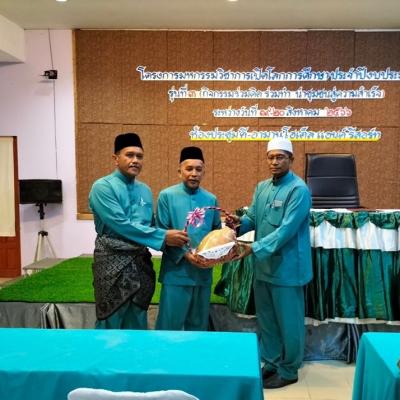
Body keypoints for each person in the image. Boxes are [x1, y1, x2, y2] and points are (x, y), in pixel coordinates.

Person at [227, 137, 312, 389]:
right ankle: (272, 362)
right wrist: (238, 223)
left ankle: (289, 369)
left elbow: (286, 230)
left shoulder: (299, 190)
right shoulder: (262, 187)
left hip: (288, 269)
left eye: (280, 157)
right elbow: (253, 217)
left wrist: (253, 248)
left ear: (291, 159)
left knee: (290, 322)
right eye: (271, 157)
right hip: (264, 267)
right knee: (267, 319)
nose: (275, 161)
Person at [89, 132, 188, 330]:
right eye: (129, 155)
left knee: (137, 319)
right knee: (110, 320)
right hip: (112, 261)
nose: (135, 160)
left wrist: (182, 241)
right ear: (116, 158)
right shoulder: (102, 187)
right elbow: (120, 224)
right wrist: (163, 236)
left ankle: (137, 352)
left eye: (139, 156)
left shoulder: (145, 190)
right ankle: (105, 352)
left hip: (140, 262)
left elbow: (150, 224)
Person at [155, 146, 221, 331]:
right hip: (176, 273)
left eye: (198, 169)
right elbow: (161, 232)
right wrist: (185, 254)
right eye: (189, 169)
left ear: (203, 172)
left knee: (198, 327)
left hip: (202, 273)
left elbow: (216, 232)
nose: (194, 173)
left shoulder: (211, 199)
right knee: (169, 326)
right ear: (179, 171)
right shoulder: (166, 196)